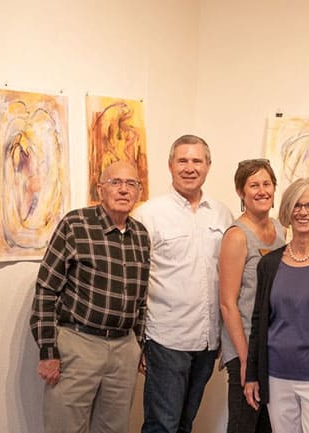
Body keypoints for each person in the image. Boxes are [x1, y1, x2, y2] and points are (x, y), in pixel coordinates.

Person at [30, 161, 150, 433]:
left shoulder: (141, 235)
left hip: (123, 348)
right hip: (79, 343)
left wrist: (139, 343)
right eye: (115, 182)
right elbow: (46, 291)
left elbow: (141, 297)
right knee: (65, 426)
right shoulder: (76, 224)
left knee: (114, 428)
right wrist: (48, 351)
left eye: (131, 184)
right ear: (100, 189)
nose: (123, 190)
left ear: (139, 191)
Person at [132, 134, 233, 433]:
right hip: (166, 338)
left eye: (197, 161)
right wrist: (139, 341)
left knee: (185, 424)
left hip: (206, 340)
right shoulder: (149, 214)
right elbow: (136, 281)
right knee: (162, 425)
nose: (190, 168)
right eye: (183, 160)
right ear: (170, 165)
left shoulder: (222, 213)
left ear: (208, 166)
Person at [244, 178, 309, 433]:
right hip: (276, 375)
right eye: (297, 206)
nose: (303, 212)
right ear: (287, 212)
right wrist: (252, 375)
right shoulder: (269, 265)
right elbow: (259, 322)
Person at [219, 159, 286, 433]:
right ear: (240, 192)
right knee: (244, 425)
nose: (261, 191)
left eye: (266, 184)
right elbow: (228, 303)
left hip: (274, 348)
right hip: (245, 347)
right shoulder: (237, 235)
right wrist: (246, 359)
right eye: (253, 185)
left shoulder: (281, 230)